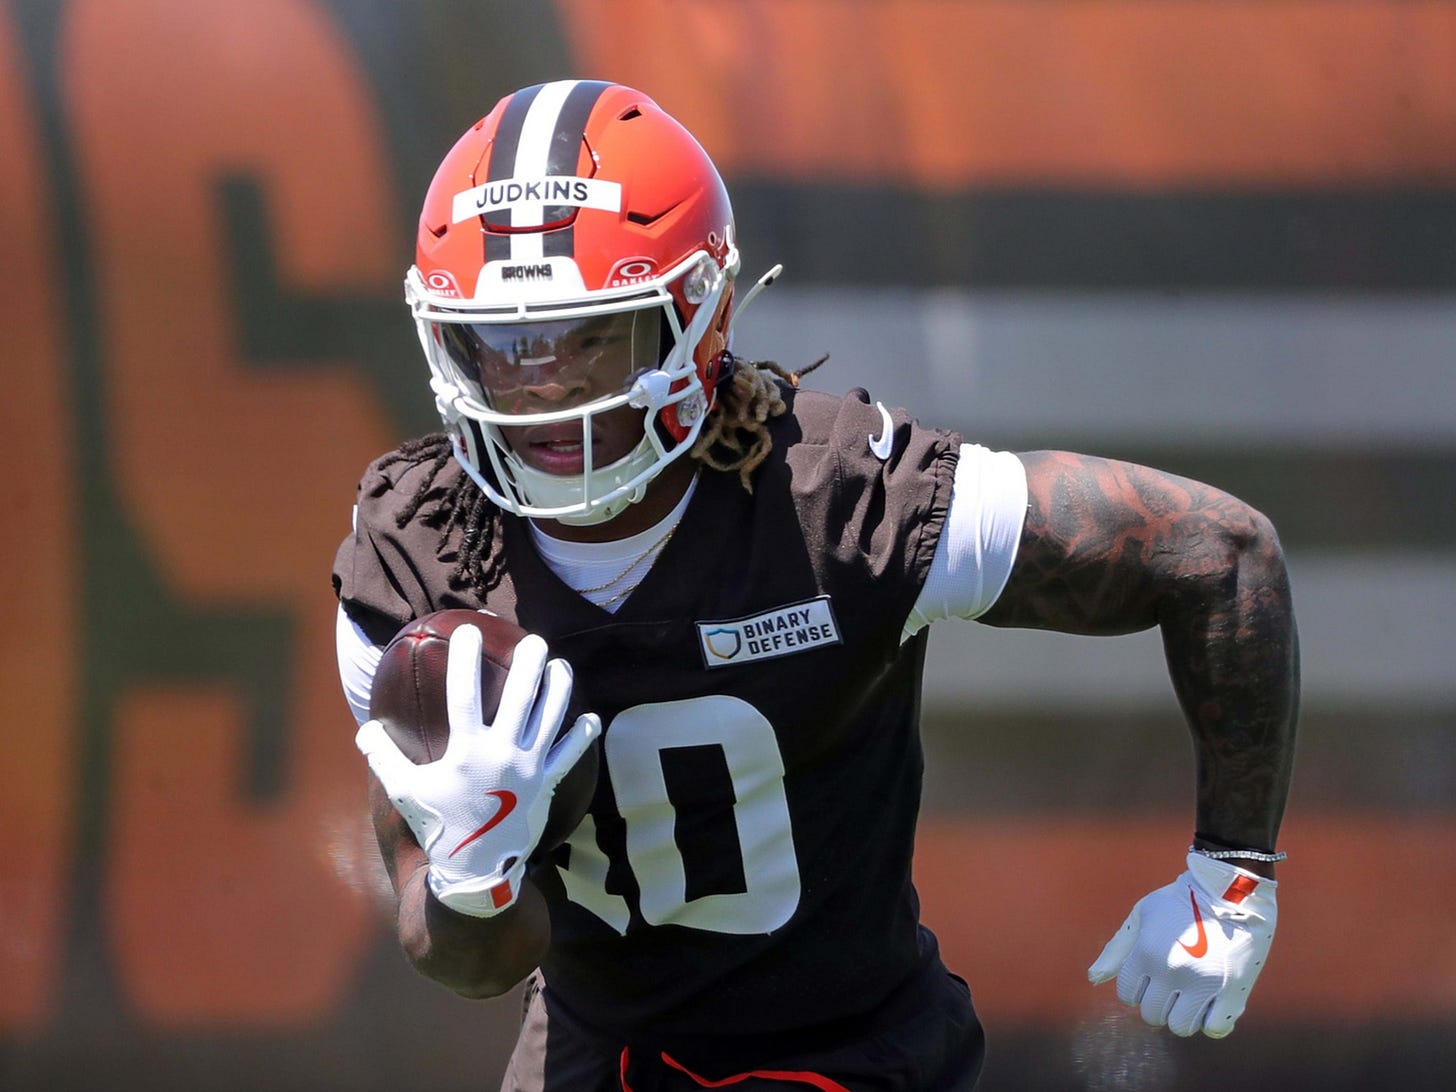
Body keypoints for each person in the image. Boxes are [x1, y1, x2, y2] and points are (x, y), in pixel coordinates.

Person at [333, 80, 1299, 1091]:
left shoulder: (837, 500)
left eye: (588, 338)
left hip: (851, 1053)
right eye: (502, 345)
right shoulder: (419, 552)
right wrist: (475, 875)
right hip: (596, 1054)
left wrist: (1231, 877)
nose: (543, 390)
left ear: (691, 319)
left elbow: (1214, 552)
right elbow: (470, 962)